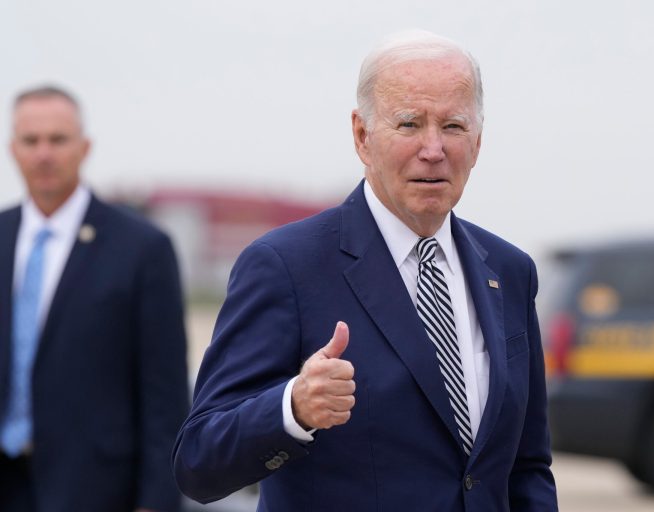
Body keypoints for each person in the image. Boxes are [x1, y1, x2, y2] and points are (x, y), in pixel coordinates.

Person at [173, 31, 557, 511]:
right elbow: (199, 462)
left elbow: (527, 467)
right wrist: (292, 409)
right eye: (409, 124)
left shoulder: (509, 271)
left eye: (454, 127)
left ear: (478, 142)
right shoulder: (286, 266)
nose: (433, 149)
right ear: (362, 136)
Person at [0, 85, 189, 512]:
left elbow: (165, 393)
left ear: (84, 147)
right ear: (13, 149)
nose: (44, 153)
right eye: (31, 141)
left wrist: (157, 500)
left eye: (58, 139)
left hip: (94, 489)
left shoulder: (142, 249)